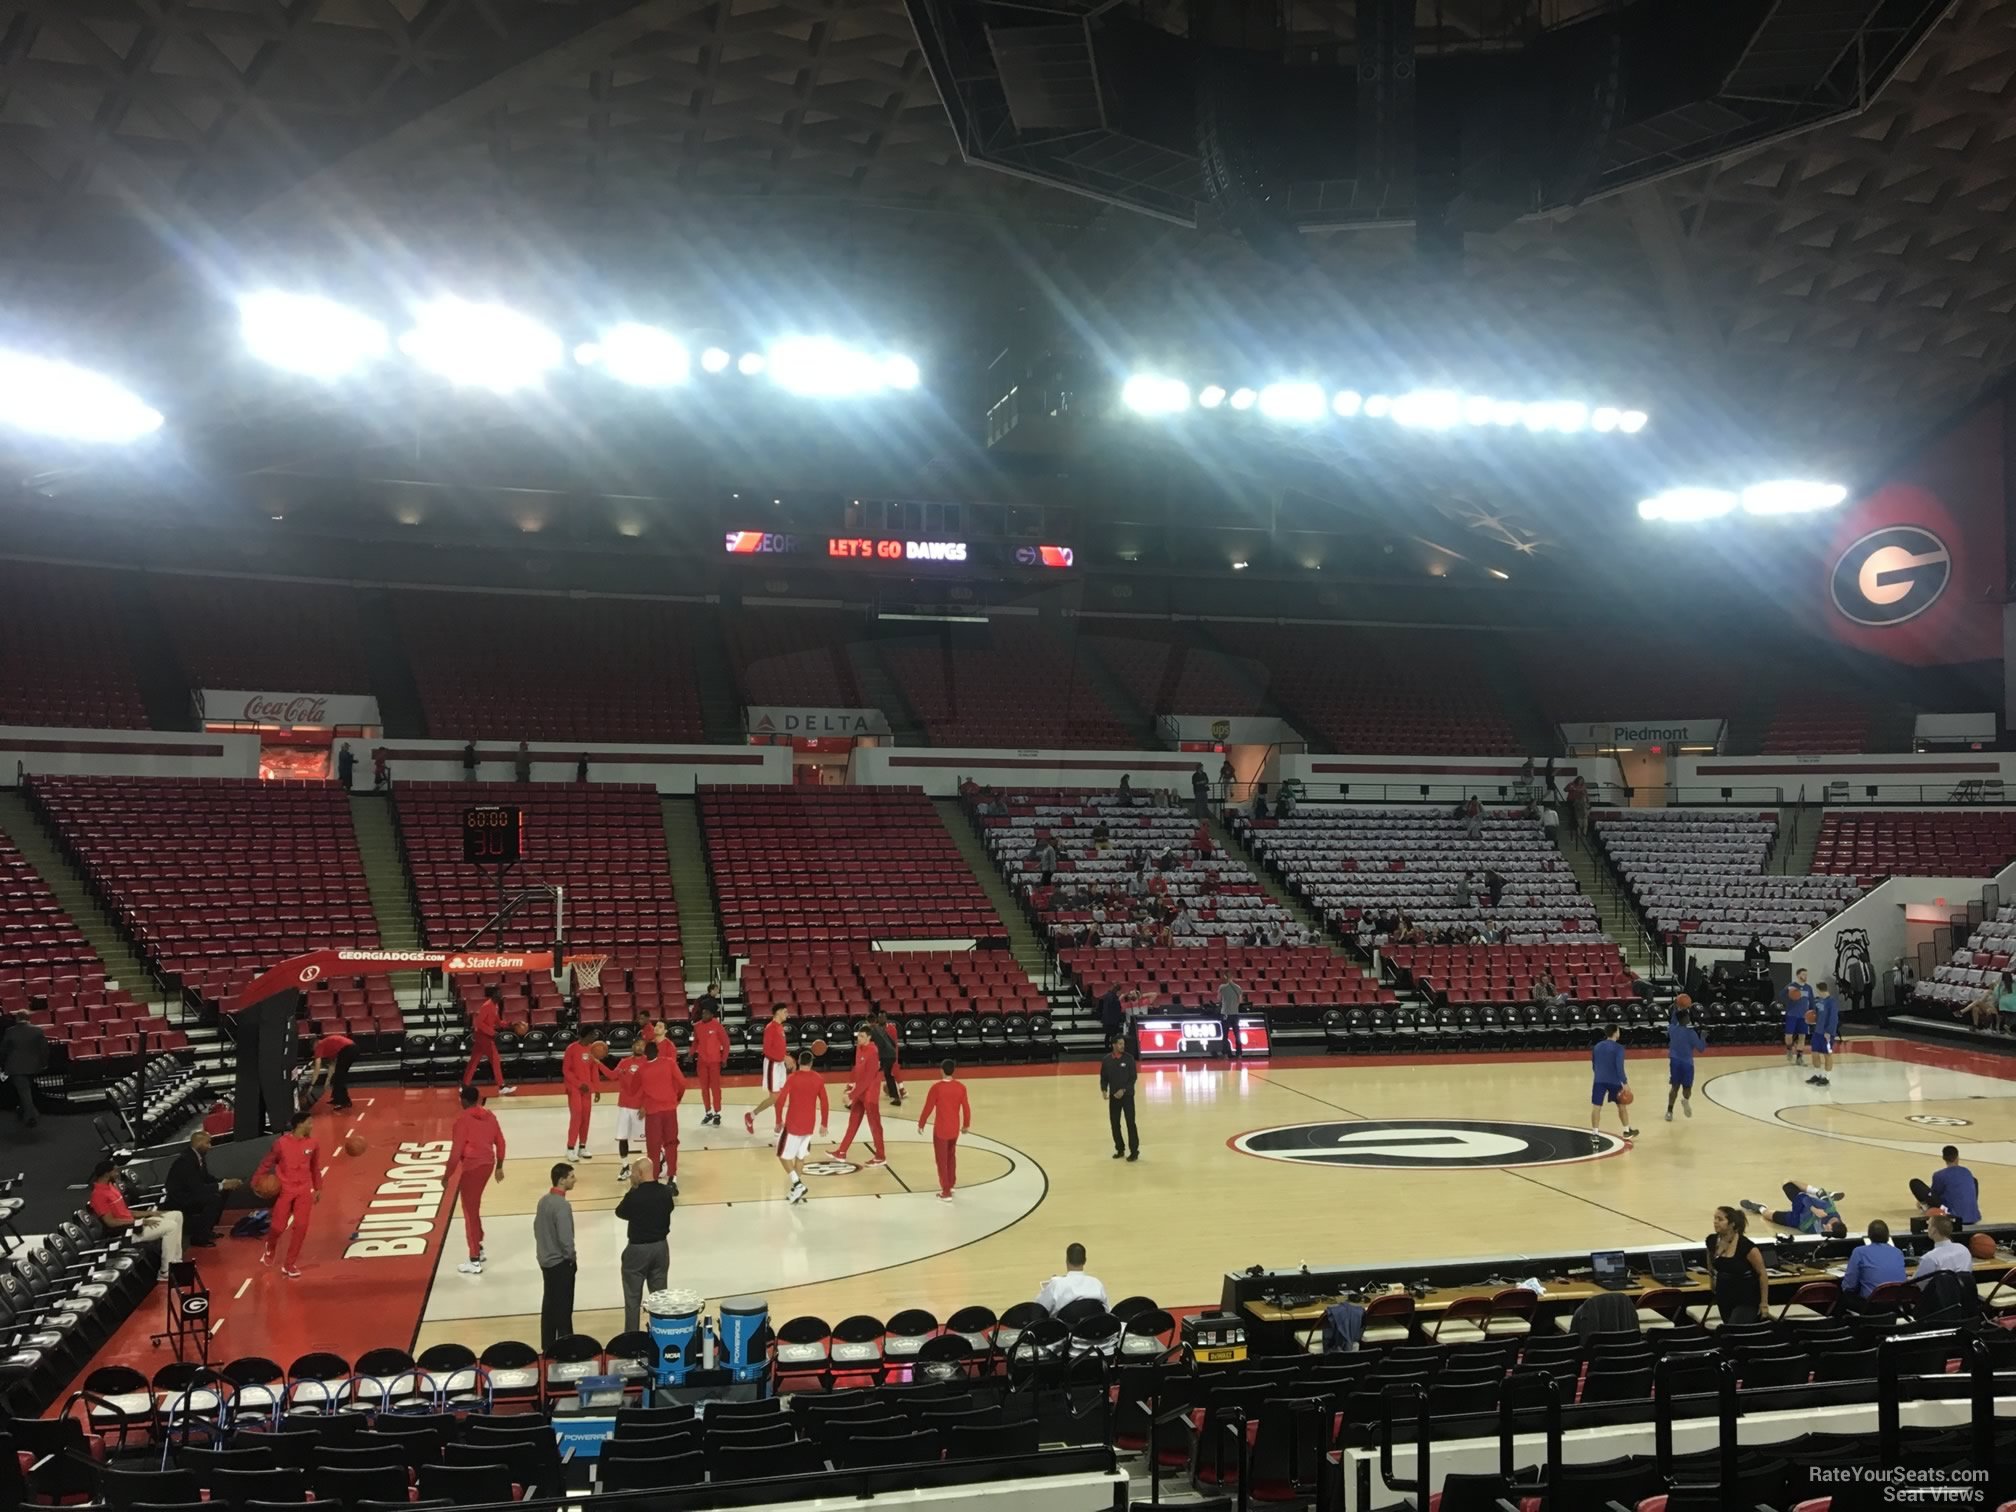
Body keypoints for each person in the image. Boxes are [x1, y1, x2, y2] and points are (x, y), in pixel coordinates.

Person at [89, 1158, 185, 1281]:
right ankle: (165, 1271)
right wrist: (140, 1222)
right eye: (115, 1171)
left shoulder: (111, 1187)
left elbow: (125, 1212)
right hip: (127, 1232)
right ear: (107, 1173)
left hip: (134, 1224)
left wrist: (150, 1213)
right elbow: (110, 1222)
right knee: (170, 1227)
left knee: (177, 1215)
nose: (118, 1173)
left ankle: (176, 1261)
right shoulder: (98, 1195)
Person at [254, 1108, 322, 1279]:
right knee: (278, 1227)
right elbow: (266, 1162)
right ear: (300, 1124)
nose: (312, 1125)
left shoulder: (313, 1143)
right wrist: (257, 1181)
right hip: (285, 1189)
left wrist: (318, 1187)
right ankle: (270, 1248)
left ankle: (289, 1264)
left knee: (301, 1227)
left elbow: (315, 1167)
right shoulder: (281, 1143)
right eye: (309, 1122)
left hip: (304, 1190)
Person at [447, 1085, 507, 1275]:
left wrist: (447, 1175)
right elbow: (501, 1142)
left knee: (469, 1210)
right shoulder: (490, 1116)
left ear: (463, 1100)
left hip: (472, 1168)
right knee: (474, 1206)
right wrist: (499, 1166)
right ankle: (479, 1246)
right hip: (488, 1165)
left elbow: (456, 1153)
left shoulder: (461, 1120)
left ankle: (474, 1259)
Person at [614, 1157, 673, 1333]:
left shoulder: (635, 1195)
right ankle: (662, 1334)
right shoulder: (665, 1192)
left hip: (638, 1249)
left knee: (632, 1298)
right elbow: (669, 1208)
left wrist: (633, 1189)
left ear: (639, 1173)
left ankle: (632, 1338)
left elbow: (620, 1212)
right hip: (661, 1248)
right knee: (661, 1297)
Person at [163, 1129, 241, 1248]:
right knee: (213, 1199)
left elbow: (205, 1177)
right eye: (207, 1143)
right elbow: (196, 1187)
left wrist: (223, 1182)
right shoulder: (186, 1161)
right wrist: (221, 1186)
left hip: (192, 1192)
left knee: (223, 1192)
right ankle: (199, 1237)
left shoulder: (198, 1156)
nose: (210, 1147)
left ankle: (207, 1230)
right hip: (180, 1198)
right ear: (198, 1143)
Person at [774, 1049, 830, 1204]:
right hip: (809, 1125)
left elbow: (780, 1101)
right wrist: (824, 1123)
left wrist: (778, 1120)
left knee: (782, 1155)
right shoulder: (818, 1079)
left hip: (793, 1124)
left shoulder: (792, 1078)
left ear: (798, 1062)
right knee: (800, 1157)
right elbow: (825, 1102)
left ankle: (797, 1184)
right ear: (811, 1063)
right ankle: (795, 1190)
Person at [535, 1163, 577, 1351]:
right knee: (564, 1308)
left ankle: (548, 1346)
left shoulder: (543, 1201)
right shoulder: (562, 1206)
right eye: (571, 1176)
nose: (574, 1180)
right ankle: (566, 1347)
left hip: (545, 1261)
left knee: (549, 1305)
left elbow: (536, 1228)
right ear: (562, 1180)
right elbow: (566, 1238)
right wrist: (571, 1258)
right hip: (561, 1263)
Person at [831, 1027, 888, 1166]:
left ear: (869, 1037)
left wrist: (851, 1095)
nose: (859, 1038)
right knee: (853, 1122)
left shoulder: (873, 1052)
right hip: (860, 1091)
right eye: (858, 1036)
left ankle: (880, 1156)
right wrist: (850, 1086)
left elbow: (868, 1078)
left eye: (862, 1036)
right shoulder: (859, 1048)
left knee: (874, 1125)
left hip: (870, 1094)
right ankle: (842, 1151)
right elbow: (856, 1069)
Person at [917, 1059, 971, 1201]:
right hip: (954, 1129)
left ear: (941, 1070)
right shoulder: (961, 1087)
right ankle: (951, 1183)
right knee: (951, 1156)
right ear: (954, 1070)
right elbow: (966, 1108)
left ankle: (945, 1191)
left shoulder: (936, 1088)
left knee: (941, 1160)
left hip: (941, 1129)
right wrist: (966, 1125)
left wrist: (921, 1123)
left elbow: (928, 1107)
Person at [638, 1040, 686, 1195]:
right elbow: (682, 1082)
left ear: (645, 1054)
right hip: (669, 1110)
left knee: (653, 1147)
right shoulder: (669, 1063)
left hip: (653, 1113)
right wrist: (676, 1098)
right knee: (671, 1144)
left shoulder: (642, 1069)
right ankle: (672, 1179)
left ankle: (654, 1182)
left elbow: (635, 1090)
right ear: (658, 1052)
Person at [1705, 1205, 1767, 1326]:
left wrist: (1764, 1303)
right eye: (1715, 1218)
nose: (1715, 1222)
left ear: (1732, 1224)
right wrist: (1712, 1282)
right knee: (1730, 1329)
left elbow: (1762, 1273)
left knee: (1734, 1330)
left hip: (1746, 1299)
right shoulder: (1711, 1241)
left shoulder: (1747, 1246)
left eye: (1720, 1219)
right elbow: (1710, 1264)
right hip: (1724, 1297)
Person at [561, 1025, 614, 1162]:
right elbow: (566, 1071)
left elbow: (594, 1070)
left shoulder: (592, 1050)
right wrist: (579, 1084)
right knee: (577, 1116)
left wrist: (597, 1089)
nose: (595, 1036)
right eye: (593, 1034)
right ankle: (570, 1148)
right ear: (585, 1035)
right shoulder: (571, 1049)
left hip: (587, 1089)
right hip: (574, 1088)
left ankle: (582, 1147)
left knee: (586, 1117)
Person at [744, 1005, 793, 1134]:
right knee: (774, 1097)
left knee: (781, 1095)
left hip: (780, 1064)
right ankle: (751, 1116)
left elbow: (779, 1047)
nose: (787, 1014)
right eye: (785, 1011)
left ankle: (778, 1122)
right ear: (778, 1012)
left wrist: (787, 1057)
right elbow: (767, 1050)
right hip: (772, 1064)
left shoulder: (780, 1027)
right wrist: (784, 1057)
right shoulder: (770, 1028)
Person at [1840, 1219, 1907, 1306]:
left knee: (1842, 1297)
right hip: (1896, 1303)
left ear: (1869, 1236)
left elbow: (1849, 1285)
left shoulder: (1860, 1252)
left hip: (1872, 1305)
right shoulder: (1898, 1252)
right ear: (1887, 1235)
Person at [1740, 1183, 1848, 1237]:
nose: (1825, 1231)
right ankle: (1819, 1193)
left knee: (1767, 1215)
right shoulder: (1827, 1208)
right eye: (1827, 1229)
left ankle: (1759, 1207)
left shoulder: (1836, 1232)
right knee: (1789, 1185)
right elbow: (1803, 1198)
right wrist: (1814, 1209)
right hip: (1802, 1208)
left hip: (1797, 1221)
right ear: (1832, 1223)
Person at [0, 1008, 48, 1127]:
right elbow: (44, 1050)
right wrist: (43, 1063)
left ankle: (31, 1116)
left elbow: (3, 1050)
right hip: (34, 1066)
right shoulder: (37, 1030)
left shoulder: (10, 1031)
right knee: (25, 1090)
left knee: (24, 1091)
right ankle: (22, 1110)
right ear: (29, 1018)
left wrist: (2, 1064)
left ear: (17, 1019)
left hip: (15, 1066)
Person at [1590, 1024, 1639, 1140]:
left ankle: (1595, 1134)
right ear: (1616, 1033)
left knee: (1596, 1107)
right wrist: (1625, 1083)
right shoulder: (1619, 1048)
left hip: (1599, 1080)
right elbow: (1619, 1067)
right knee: (1621, 1106)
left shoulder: (1597, 1046)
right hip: (1614, 1081)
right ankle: (1627, 1131)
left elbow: (1594, 1064)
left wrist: (1599, 1075)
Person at [1911, 1146, 1982, 1224]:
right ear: (1957, 1157)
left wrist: (1923, 1200)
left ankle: (1926, 1207)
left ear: (1943, 1158)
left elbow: (1935, 1194)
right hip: (1974, 1217)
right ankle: (1971, 1208)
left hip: (1952, 1217)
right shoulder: (1966, 1171)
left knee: (1915, 1183)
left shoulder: (1939, 1175)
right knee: (1973, 1181)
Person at [462, 987, 513, 1094]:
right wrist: (492, 1032)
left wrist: (508, 1024)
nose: (501, 995)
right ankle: (501, 1086)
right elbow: (479, 1023)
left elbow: (497, 1021)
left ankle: (464, 1085)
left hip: (484, 1036)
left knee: (474, 1061)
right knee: (495, 1059)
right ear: (493, 995)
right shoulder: (486, 1006)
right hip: (483, 1036)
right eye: (499, 993)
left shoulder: (496, 1006)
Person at [1035, 1242, 1108, 1314]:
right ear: (1085, 1261)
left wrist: (1049, 1287)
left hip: (1065, 1325)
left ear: (1067, 1260)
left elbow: (1039, 1308)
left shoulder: (1056, 1285)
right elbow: (1107, 1311)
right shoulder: (1097, 1284)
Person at [1101, 1036, 1139, 1161]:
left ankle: (1134, 1150)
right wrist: (1104, 1089)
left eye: (1123, 1044)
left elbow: (1133, 1078)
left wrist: (1123, 1090)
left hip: (1127, 1096)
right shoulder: (1107, 1060)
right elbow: (1104, 1077)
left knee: (1130, 1123)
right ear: (1114, 1045)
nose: (1122, 1046)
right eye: (1120, 1044)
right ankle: (1120, 1148)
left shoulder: (1129, 1059)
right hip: (1114, 1097)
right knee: (1115, 1123)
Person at [613, 1040, 647, 1180]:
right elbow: (612, 1075)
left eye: (642, 1045)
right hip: (624, 1106)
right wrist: (598, 1063)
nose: (639, 1047)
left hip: (639, 1106)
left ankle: (650, 1168)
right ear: (632, 1046)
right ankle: (625, 1166)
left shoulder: (648, 1063)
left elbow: (650, 1086)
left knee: (646, 1140)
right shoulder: (624, 1062)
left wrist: (645, 1105)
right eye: (637, 1045)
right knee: (622, 1137)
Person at [1665, 1005, 1706, 1122]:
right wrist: (1703, 1037)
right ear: (1686, 1019)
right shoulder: (1691, 1033)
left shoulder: (1671, 1029)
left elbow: (1673, 1018)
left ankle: (1669, 1111)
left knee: (1674, 1087)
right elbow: (1701, 1049)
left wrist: (1677, 1006)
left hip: (1675, 1062)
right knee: (1687, 1089)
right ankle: (1685, 1100)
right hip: (1687, 1064)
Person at [692, 1000, 730, 1126]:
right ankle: (708, 1112)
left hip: (714, 1062)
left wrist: (724, 1058)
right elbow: (696, 1042)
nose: (704, 1016)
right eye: (703, 1013)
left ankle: (717, 1112)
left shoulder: (717, 1026)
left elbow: (726, 1043)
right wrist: (691, 1053)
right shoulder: (697, 1026)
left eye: (706, 1014)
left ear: (712, 1015)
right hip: (702, 1062)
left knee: (715, 1088)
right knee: (704, 1088)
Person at [306, 1022, 358, 1111]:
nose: (314, 1052)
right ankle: (338, 1098)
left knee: (339, 1077)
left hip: (348, 1049)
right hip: (352, 1048)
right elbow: (332, 1065)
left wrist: (312, 1085)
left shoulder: (319, 1046)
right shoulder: (327, 1046)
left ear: (314, 1045)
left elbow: (317, 1069)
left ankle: (343, 1101)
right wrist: (328, 1080)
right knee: (338, 1076)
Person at [1914, 1214, 1974, 1282]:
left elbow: (1918, 1283)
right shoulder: (1964, 1250)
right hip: (1965, 1291)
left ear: (1933, 1230)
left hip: (1940, 1292)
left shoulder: (1929, 1258)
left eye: (1929, 1225)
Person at [1806, 980, 1841, 1087]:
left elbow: (1833, 1019)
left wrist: (1829, 1032)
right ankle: (1817, 1075)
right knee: (1814, 1053)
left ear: (1821, 990)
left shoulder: (1832, 1002)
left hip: (1827, 1034)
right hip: (1817, 1032)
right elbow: (1815, 1015)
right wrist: (1810, 1019)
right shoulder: (1819, 1001)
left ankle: (1827, 1077)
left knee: (1827, 1055)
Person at [866, 1008, 902, 1106]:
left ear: (868, 1022)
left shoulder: (872, 1029)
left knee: (872, 1074)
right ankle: (896, 1098)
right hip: (891, 1054)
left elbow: (877, 1044)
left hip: (884, 1056)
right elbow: (892, 1042)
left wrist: (878, 1057)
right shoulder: (881, 1029)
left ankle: (868, 1097)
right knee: (888, 1075)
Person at [1783, 968, 1814, 1065]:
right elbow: (1782, 995)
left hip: (1803, 1016)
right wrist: (1787, 990)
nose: (1805, 977)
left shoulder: (1808, 988)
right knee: (1788, 1035)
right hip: (1792, 1015)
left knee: (1802, 1036)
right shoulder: (1792, 986)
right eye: (1803, 974)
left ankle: (1799, 1058)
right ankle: (1789, 1049)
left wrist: (1813, 1013)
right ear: (1798, 975)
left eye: (1806, 975)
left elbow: (1812, 1001)